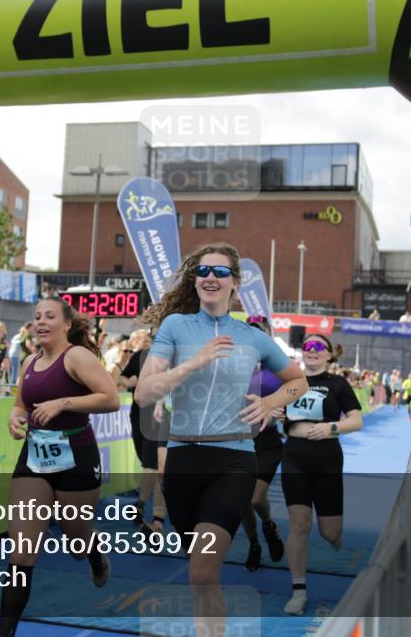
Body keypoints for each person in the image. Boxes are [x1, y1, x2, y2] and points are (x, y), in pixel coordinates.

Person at [135, 243, 307, 637]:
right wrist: (193, 363)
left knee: (201, 570)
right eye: (203, 271)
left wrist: (269, 403)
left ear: (235, 283)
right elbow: (145, 393)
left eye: (220, 272)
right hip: (182, 460)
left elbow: (298, 381)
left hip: (233, 461)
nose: (210, 277)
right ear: (195, 280)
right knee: (200, 572)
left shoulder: (253, 338)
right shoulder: (176, 328)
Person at [0, 297, 120, 637]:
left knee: (77, 546)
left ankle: (93, 549)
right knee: (21, 553)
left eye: (49, 316)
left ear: (66, 324)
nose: (41, 322)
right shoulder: (29, 362)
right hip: (34, 458)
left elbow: (109, 398)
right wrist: (15, 418)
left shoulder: (77, 356)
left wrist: (63, 403)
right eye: (36, 316)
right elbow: (21, 404)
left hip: (76, 457)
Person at [281, 334, 363, 614]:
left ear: (329, 354)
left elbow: (356, 420)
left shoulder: (338, 384)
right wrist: (276, 415)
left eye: (318, 347)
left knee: (330, 533)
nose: (312, 351)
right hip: (294, 457)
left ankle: (334, 536)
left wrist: (331, 429)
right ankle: (298, 591)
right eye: (307, 347)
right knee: (299, 523)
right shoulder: (292, 382)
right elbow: (276, 411)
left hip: (327, 460)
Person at [241, 315, 286, 571]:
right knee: (241, 502)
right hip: (239, 439)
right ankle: (254, 543)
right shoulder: (235, 364)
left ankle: (269, 525)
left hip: (267, 441)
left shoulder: (279, 367)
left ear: (267, 334)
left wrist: (281, 410)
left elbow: (295, 394)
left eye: (259, 330)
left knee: (256, 499)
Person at [118, 329, 167, 534]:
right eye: (152, 338)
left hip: (163, 418)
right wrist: (130, 382)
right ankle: (144, 507)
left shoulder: (175, 358)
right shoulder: (140, 356)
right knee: (149, 466)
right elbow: (121, 379)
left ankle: (155, 520)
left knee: (153, 467)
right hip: (139, 415)